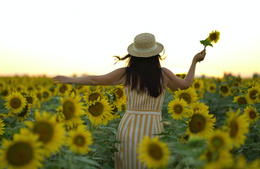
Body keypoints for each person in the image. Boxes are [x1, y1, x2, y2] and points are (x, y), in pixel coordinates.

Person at [52, 33, 206, 169]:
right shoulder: (163, 74)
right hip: (153, 126)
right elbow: (186, 84)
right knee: (150, 163)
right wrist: (194, 61)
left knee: (129, 163)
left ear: (134, 55)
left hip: (129, 126)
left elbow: (94, 80)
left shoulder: (126, 74)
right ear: (156, 55)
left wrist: (70, 79)